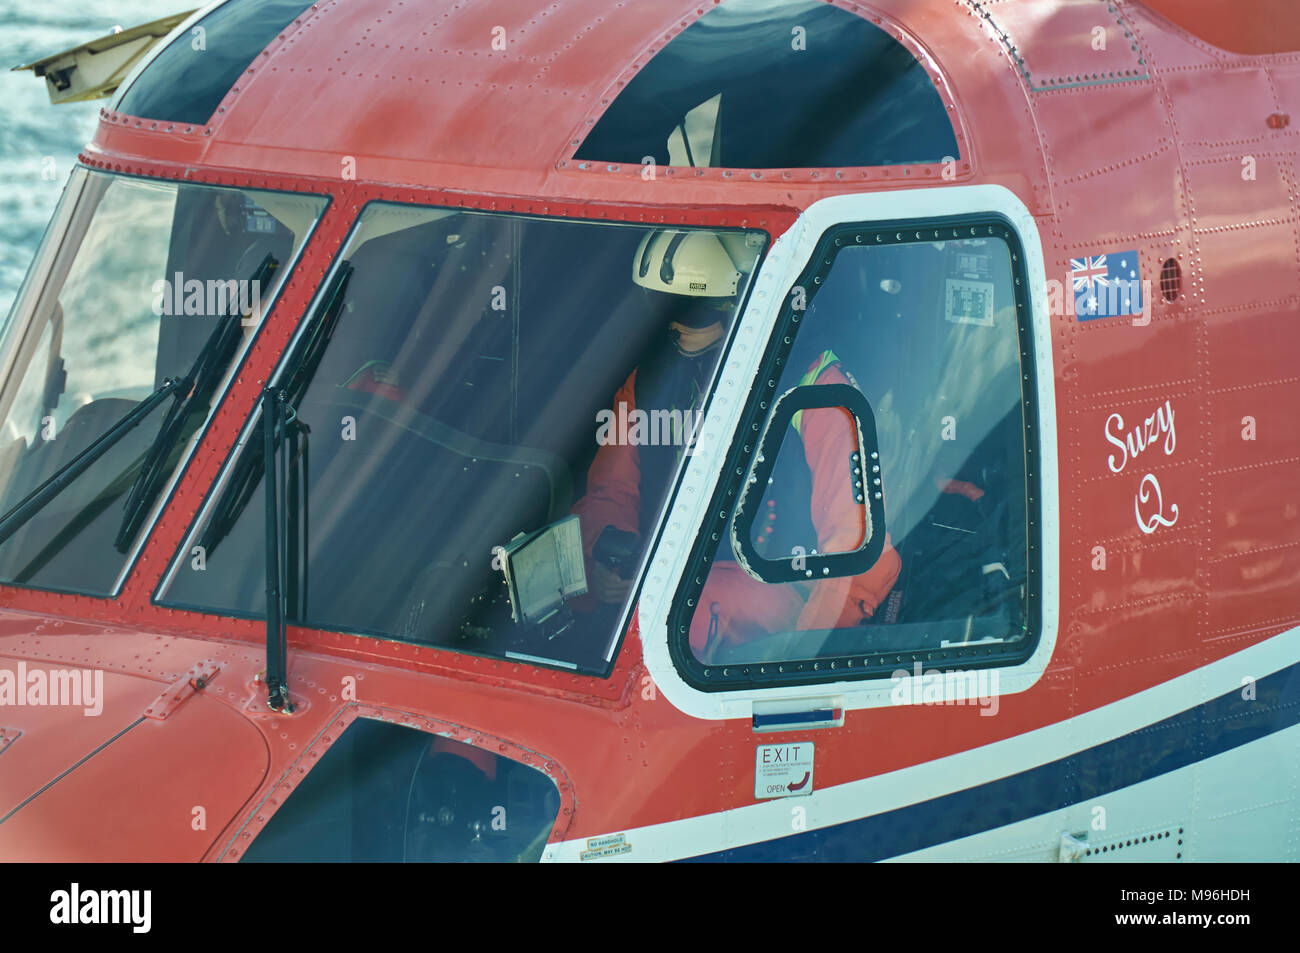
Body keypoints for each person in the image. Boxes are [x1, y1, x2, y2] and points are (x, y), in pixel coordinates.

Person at [572, 229, 900, 661]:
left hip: (783, 589)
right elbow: (610, 492)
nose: (670, 324)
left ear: (740, 305)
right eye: (658, 304)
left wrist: (805, 656)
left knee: (680, 615)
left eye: (690, 310)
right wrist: (605, 560)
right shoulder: (650, 377)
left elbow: (854, 544)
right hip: (669, 572)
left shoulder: (817, 388)